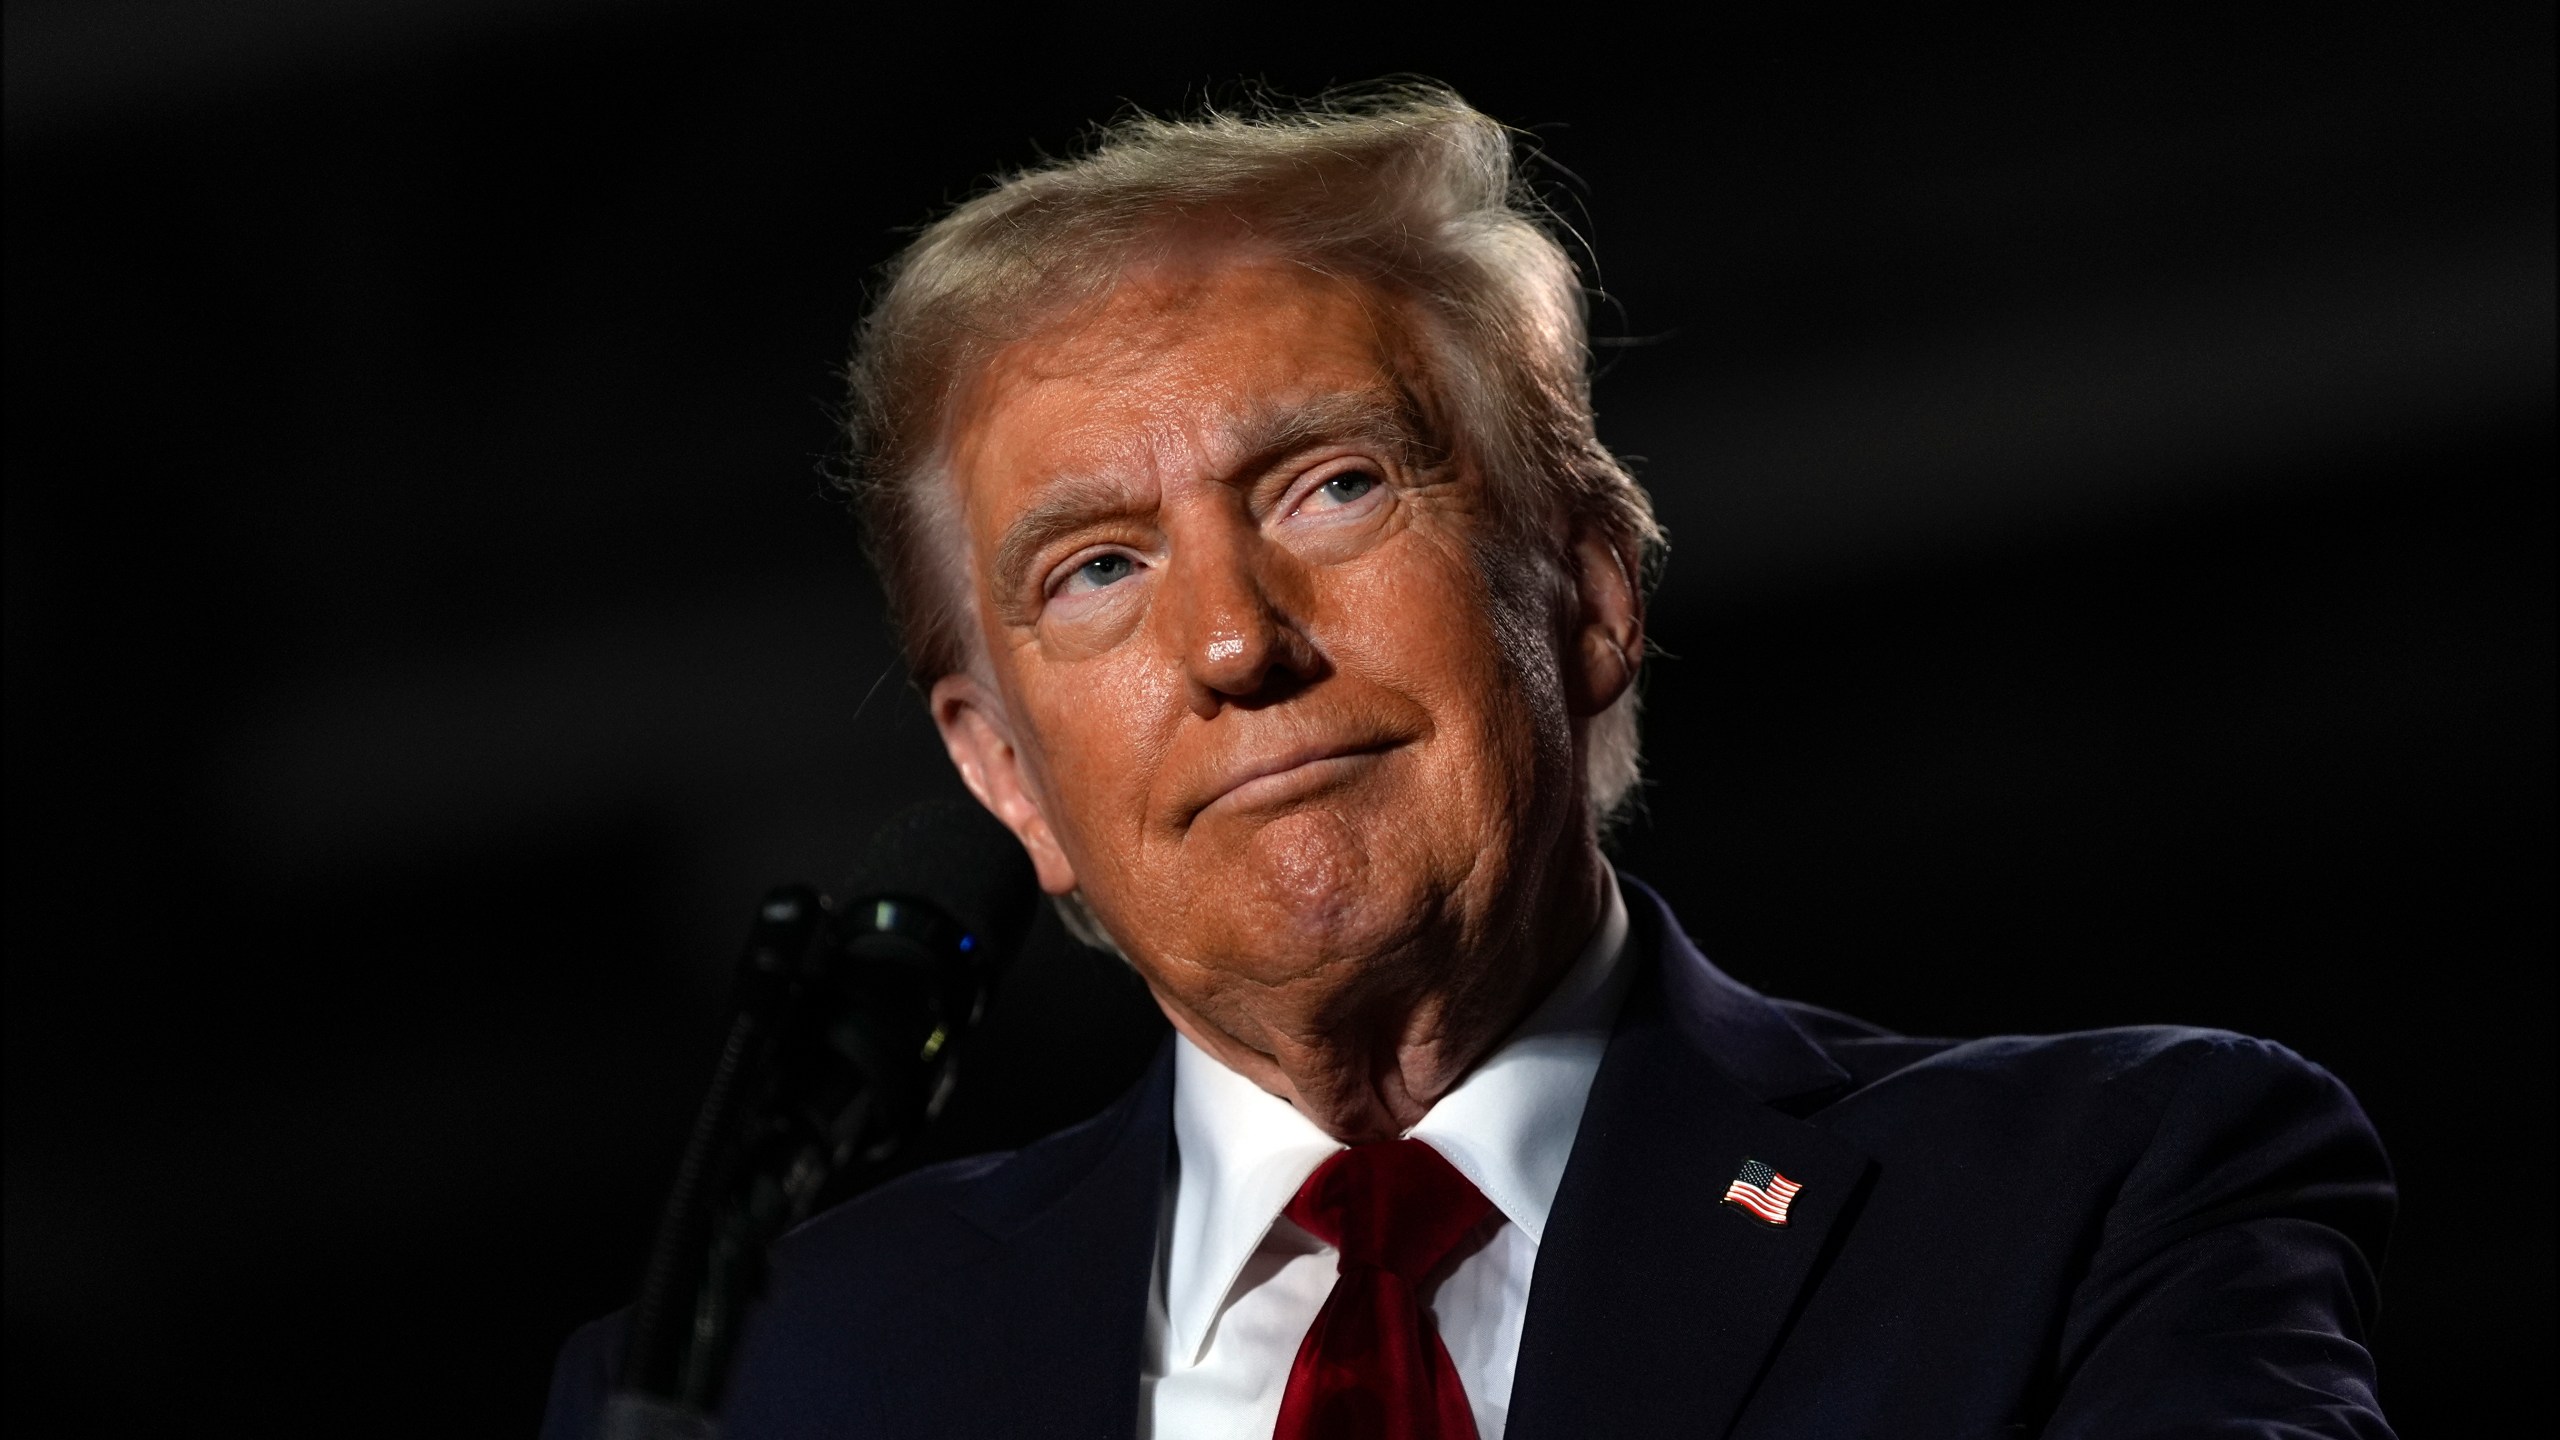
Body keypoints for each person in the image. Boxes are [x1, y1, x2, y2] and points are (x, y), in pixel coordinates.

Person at [544, 86, 2394, 1439]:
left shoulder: (2098, 1199)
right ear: (1008, 775)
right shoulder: (770, 1382)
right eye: (1096, 568)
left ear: (1586, 595)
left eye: (1331, 487)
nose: (1231, 642)